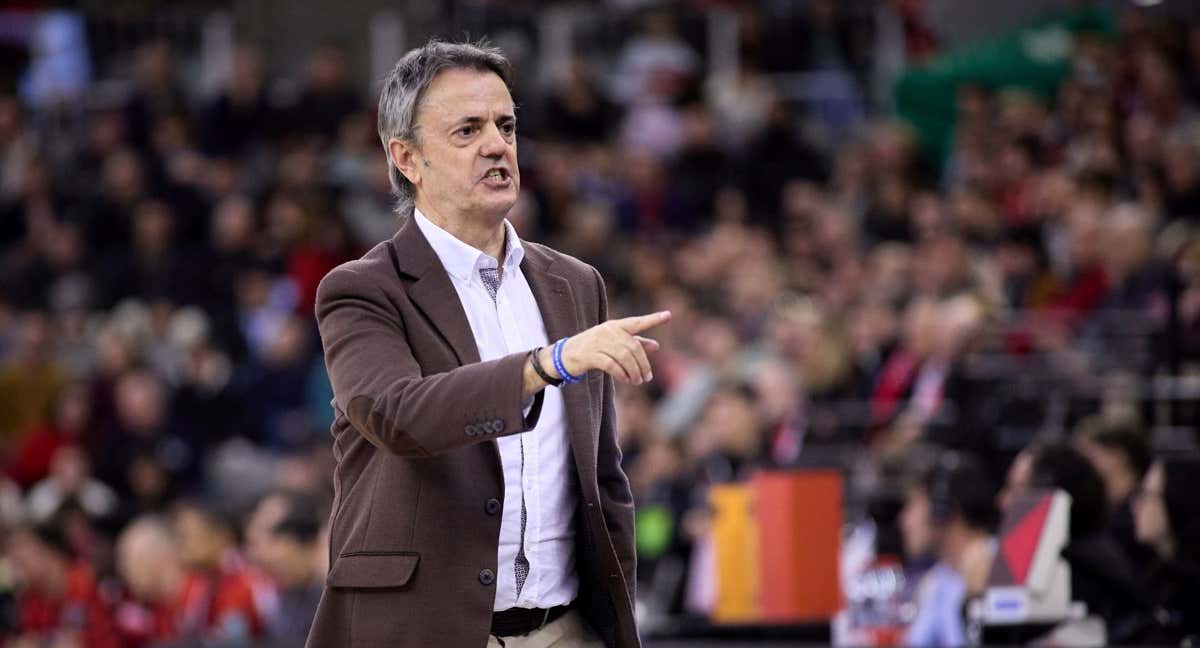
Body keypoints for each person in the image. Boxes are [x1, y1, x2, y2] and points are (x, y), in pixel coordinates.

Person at [306, 40, 669, 648]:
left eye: (506, 125)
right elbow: (396, 414)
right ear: (408, 158)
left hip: (566, 630)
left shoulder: (577, 285)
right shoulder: (362, 290)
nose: (497, 145)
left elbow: (602, 477)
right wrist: (546, 365)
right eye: (468, 129)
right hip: (428, 631)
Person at [899, 451, 998, 647]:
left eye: (913, 504)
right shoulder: (937, 581)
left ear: (942, 509)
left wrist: (976, 599)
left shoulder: (1000, 564)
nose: (903, 521)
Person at [1129, 456, 1200, 644]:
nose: (1136, 506)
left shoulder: (1189, 593)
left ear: (1177, 499)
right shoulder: (1158, 577)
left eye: (1146, 495)